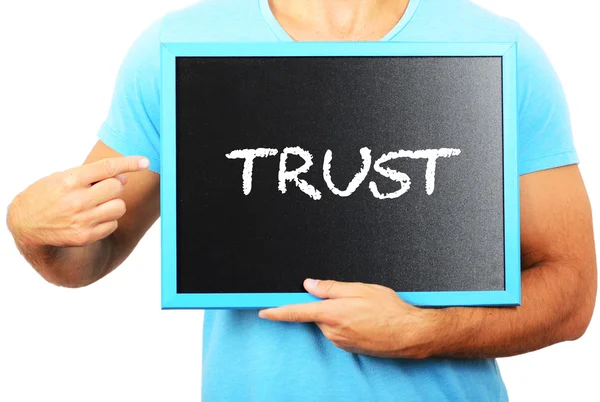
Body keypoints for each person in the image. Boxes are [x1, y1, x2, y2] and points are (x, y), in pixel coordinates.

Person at [6, 0, 597, 400]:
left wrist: (424, 332)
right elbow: (89, 258)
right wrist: (31, 227)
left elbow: (571, 293)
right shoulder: (180, 46)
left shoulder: (494, 48)